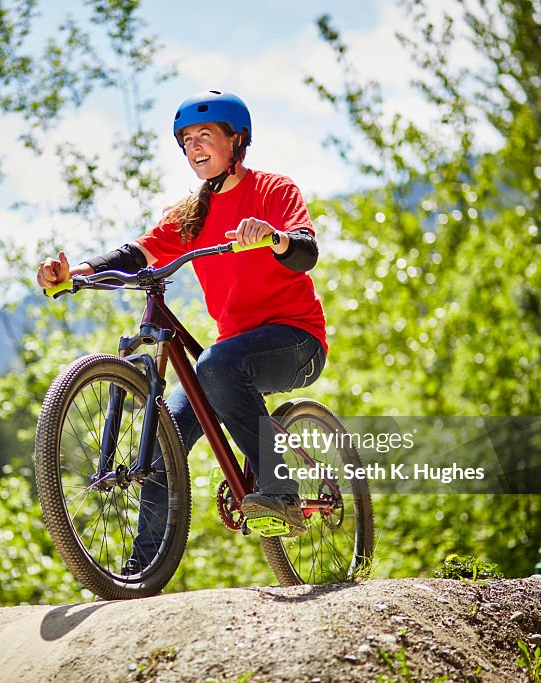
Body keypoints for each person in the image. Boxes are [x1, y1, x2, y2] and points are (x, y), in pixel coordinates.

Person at [36, 90, 326, 572]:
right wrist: (77, 272)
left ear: (238, 141)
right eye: (186, 139)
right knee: (163, 435)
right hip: (232, 352)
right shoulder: (191, 213)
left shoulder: (273, 190)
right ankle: (140, 569)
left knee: (217, 363)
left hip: (296, 340)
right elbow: (137, 253)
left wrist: (272, 238)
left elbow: (305, 252)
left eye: (205, 136)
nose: (195, 147)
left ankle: (279, 489)